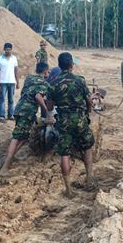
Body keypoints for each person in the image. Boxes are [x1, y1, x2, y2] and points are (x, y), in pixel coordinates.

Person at [48, 52, 95, 198]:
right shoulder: (80, 80)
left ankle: (68, 189)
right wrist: (87, 112)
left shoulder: (54, 83)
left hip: (63, 122)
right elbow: (89, 102)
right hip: (80, 119)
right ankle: (89, 180)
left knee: (65, 153)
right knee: (87, 147)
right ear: (71, 65)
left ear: (59, 65)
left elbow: (49, 107)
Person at [0, 62, 52, 176]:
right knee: (17, 137)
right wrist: (47, 110)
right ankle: (4, 167)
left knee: (23, 137)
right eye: (48, 71)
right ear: (45, 71)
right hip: (27, 112)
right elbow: (38, 96)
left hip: (19, 110)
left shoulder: (29, 78)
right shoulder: (43, 83)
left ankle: (10, 159)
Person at [0, 42, 19, 123]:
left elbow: (16, 70)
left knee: (11, 100)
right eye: (6, 50)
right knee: (2, 99)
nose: (8, 51)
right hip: (3, 82)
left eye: (9, 50)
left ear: (11, 50)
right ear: (4, 49)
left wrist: (17, 82)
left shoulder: (14, 58)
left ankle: (10, 115)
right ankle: (2, 116)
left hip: (12, 82)